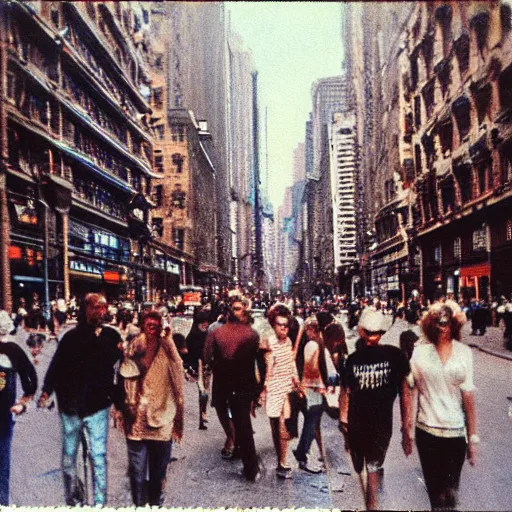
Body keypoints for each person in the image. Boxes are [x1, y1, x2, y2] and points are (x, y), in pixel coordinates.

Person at [38, 293, 123, 506]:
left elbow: (121, 372)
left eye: (104, 308)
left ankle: (100, 504)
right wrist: (47, 391)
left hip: (98, 405)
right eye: (96, 307)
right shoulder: (70, 338)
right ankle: (74, 501)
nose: (101, 312)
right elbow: (55, 367)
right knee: (68, 460)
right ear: (86, 310)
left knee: (98, 457)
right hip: (71, 406)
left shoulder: (112, 337)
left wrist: (119, 405)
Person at [408, 301, 478, 510]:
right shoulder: (420, 353)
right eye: (438, 322)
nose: (443, 326)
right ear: (431, 324)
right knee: (435, 493)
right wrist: (408, 430)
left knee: (450, 491)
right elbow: (410, 389)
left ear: (454, 325)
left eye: (447, 322)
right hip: (427, 431)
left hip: (455, 434)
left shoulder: (464, 352)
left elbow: (468, 397)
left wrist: (473, 439)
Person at [342, 308, 411, 510]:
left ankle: (372, 506)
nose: (373, 336)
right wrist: (405, 429)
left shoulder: (355, 360)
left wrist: (344, 423)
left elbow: (345, 393)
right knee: (369, 465)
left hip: (367, 425)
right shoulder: (393, 356)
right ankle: (371, 501)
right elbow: (404, 393)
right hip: (376, 425)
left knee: (369, 467)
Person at [118, 311, 184, 507]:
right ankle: (139, 505)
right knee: (136, 472)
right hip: (136, 418)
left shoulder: (167, 347)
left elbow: (178, 368)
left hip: (162, 418)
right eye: (148, 324)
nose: (152, 327)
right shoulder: (134, 346)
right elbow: (122, 378)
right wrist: (121, 409)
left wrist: (169, 340)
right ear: (142, 325)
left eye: (156, 324)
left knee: (158, 472)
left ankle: (155, 504)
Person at [204, 297, 265, 481]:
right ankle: (250, 466)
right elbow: (259, 362)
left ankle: (248, 464)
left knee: (238, 421)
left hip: (227, 383)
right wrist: (258, 389)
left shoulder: (217, 333)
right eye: (237, 308)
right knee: (242, 423)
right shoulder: (251, 335)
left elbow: (207, 357)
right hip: (241, 384)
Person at [0, 310, 37, 505]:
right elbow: (31, 381)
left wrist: (22, 404)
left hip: (4, 418)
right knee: (2, 467)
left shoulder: (13, 351)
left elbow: (31, 381)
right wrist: (22, 404)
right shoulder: (13, 351)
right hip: (5, 416)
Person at [293, 316, 337, 474]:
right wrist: (318, 385)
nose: (307, 333)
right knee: (312, 422)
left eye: (308, 330)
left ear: (312, 330)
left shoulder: (313, 343)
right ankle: (301, 452)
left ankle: (302, 452)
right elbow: (310, 367)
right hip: (312, 388)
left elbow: (311, 367)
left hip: (313, 387)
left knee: (312, 421)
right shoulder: (315, 343)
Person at [261, 304, 299, 479]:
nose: (283, 328)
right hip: (274, 390)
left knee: (284, 426)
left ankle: (282, 463)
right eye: (279, 324)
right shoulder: (269, 342)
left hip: (286, 390)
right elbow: (267, 369)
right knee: (275, 429)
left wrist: (296, 380)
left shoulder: (289, 341)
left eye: (286, 325)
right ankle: (280, 461)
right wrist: (263, 391)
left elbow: (290, 363)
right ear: (274, 325)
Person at [185, 311, 211, 430]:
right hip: (196, 368)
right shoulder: (192, 337)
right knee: (202, 392)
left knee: (204, 392)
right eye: (203, 325)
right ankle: (202, 416)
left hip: (206, 367)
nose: (205, 327)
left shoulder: (207, 335)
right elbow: (187, 353)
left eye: (206, 325)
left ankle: (203, 415)